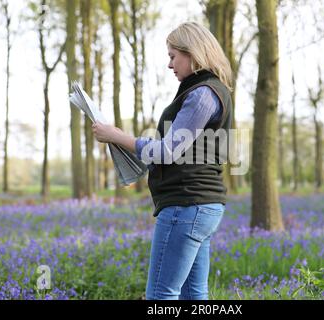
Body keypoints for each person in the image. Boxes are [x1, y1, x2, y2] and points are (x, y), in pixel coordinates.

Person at [92, 21, 233, 300]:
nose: (170, 65)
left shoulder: (203, 94)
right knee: (193, 296)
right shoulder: (205, 90)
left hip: (186, 204)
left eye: (173, 56)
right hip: (199, 205)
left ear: (193, 53)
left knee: (160, 296)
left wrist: (118, 136)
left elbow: (168, 151)